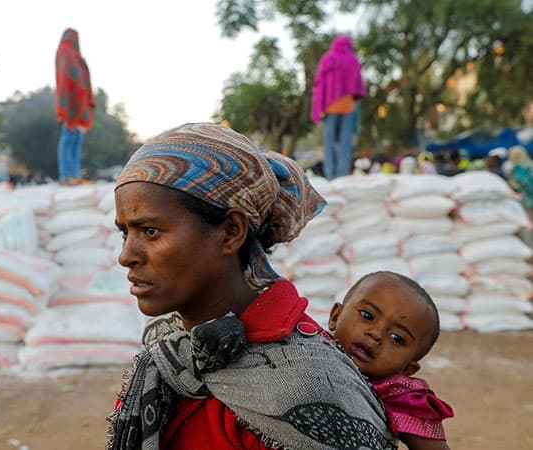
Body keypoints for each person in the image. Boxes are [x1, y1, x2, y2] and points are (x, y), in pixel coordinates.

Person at [106, 123, 397, 450]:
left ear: (230, 231)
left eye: (150, 232)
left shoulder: (307, 382)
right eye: (124, 233)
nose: (126, 256)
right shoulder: (169, 349)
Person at [328, 271, 454, 450]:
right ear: (335, 317)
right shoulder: (304, 348)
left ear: (407, 369)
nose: (376, 334)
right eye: (367, 316)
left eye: (397, 337)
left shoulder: (397, 395)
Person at [311, 35, 366, 180]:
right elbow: (357, 84)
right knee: (345, 142)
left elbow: (319, 82)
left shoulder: (328, 59)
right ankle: (341, 175)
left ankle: (330, 174)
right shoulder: (353, 60)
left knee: (329, 142)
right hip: (348, 106)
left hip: (330, 107)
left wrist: (320, 102)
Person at [55, 28, 96, 185]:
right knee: (68, 139)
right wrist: (68, 103)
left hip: (80, 104)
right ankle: (66, 175)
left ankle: (75, 174)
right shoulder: (65, 51)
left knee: (76, 140)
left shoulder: (77, 56)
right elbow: (66, 77)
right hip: (71, 102)